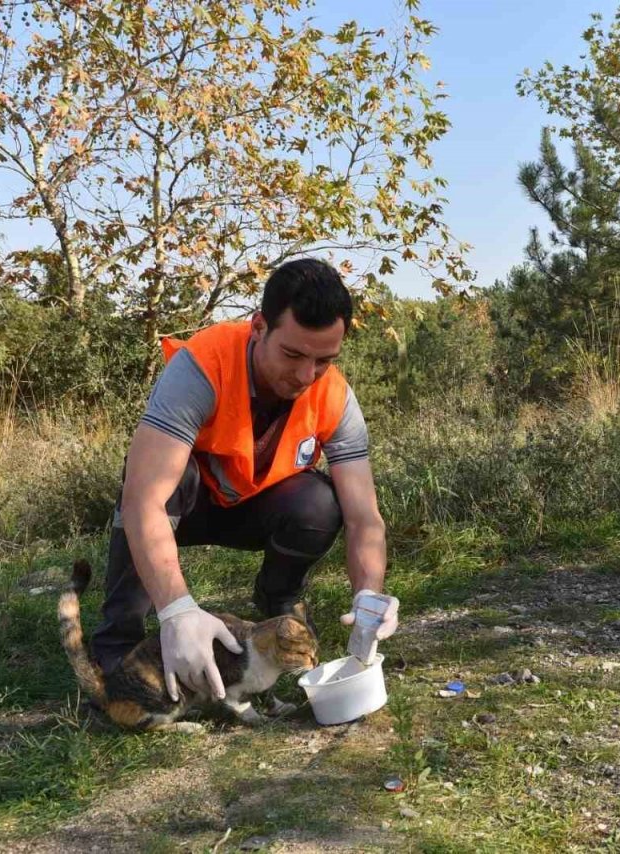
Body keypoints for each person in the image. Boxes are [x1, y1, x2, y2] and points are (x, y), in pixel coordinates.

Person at [91, 257, 398, 702]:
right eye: (292, 354)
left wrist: (370, 596)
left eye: (323, 360)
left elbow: (364, 518)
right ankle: (118, 642)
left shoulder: (335, 396)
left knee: (319, 501)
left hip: (254, 510)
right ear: (258, 327)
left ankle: (279, 601)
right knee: (156, 485)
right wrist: (177, 610)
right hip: (187, 507)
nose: (305, 375)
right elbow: (144, 501)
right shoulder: (202, 366)